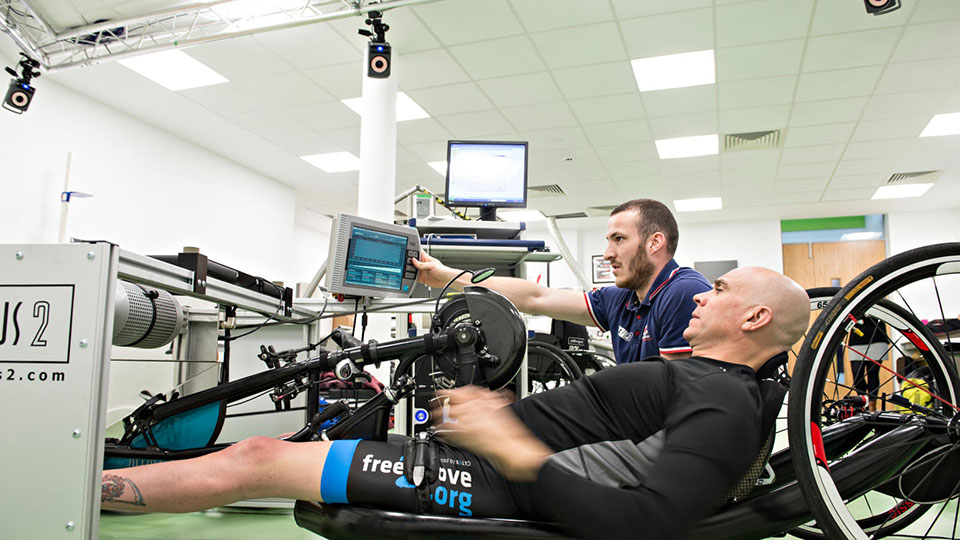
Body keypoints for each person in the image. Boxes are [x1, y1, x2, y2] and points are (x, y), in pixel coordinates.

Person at [100, 267, 809, 540]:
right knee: (271, 453)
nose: (704, 294)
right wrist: (489, 413)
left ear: (752, 321)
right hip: (481, 454)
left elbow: (649, 522)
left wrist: (511, 447)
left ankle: (73, 497)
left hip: (498, 478)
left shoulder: (723, 401)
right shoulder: (709, 379)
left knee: (258, 457)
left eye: (723, 290)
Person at [413, 199, 711, 363]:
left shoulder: (682, 292)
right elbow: (536, 298)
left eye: (619, 239)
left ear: (654, 242)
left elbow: (673, 398)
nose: (607, 254)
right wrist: (448, 277)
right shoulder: (623, 298)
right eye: (608, 241)